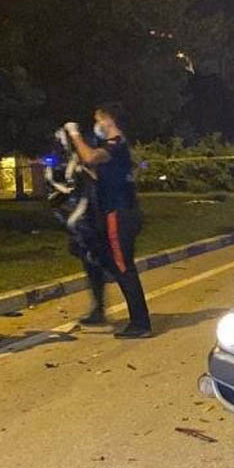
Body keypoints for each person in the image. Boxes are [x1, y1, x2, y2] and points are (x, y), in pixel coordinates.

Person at [65, 102, 152, 338]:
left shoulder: (115, 144)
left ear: (108, 120)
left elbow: (91, 157)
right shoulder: (113, 147)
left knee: (123, 267)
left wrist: (74, 134)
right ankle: (101, 310)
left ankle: (140, 323)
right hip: (118, 211)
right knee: (106, 261)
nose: (96, 125)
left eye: (99, 119)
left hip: (119, 213)